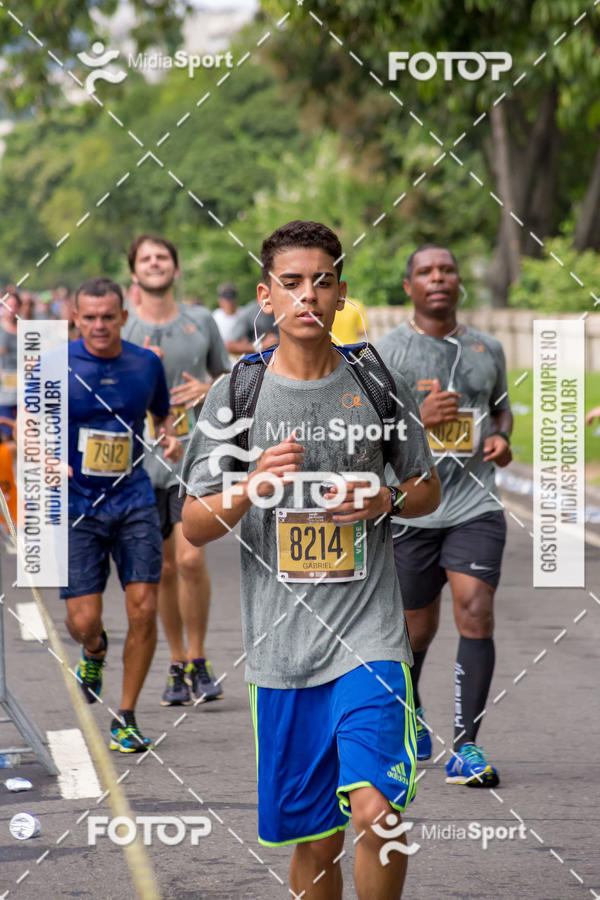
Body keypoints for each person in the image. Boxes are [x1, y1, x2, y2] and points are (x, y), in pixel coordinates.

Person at [181, 220, 440, 900]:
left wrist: (385, 498)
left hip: (370, 639)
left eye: (321, 282)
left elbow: (426, 488)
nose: (308, 296)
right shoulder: (235, 396)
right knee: (318, 840)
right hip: (283, 654)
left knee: (378, 813)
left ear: (340, 293)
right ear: (265, 296)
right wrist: (250, 486)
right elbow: (194, 523)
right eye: (291, 283)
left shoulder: (378, 384)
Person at [376, 244, 513, 788]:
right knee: (416, 628)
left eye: (447, 270)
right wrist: (417, 417)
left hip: (474, 504)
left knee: (475, 608)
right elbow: (364, 430)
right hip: (412, 506)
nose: (438, 278)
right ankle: (410, 715)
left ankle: (466, 745)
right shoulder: (386, 353)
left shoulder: (487, 348)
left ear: (459, 282)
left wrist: (501, 437)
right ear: (408, 286)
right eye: (426, 271)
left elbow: (500, 407)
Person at [63, 277, 182, 752]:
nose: (99, 326)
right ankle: (94, 649)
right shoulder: (55, 365)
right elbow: (30, 425)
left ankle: (126, 717)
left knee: (144, 607)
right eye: (90, 318)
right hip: (76, 502)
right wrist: (44, 456)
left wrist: (169, 437)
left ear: (123, 317)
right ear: (75, 318)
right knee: (82, 620)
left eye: (108, 317)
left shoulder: (146, 363)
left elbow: (162, 416)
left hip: (133, 497)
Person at [123, 234, 230, 706]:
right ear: (134, 272)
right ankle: (177, 660)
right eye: (146, 258)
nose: (155, 263)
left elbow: (229, 377)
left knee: (190, 559)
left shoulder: (201, 320)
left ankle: (200, 658)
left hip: (195, 456)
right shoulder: (124, 327)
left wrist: (209, 389)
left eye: (162, 256)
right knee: (164, 568)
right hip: (143, 461)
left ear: (175, 267)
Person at [0, 289, 20, 439]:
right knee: (6, 435)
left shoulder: (26, 327)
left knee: (22, 434)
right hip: (3, 393)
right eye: (8, 306)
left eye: (15, 305)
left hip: (23, 391)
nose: (11, 309)